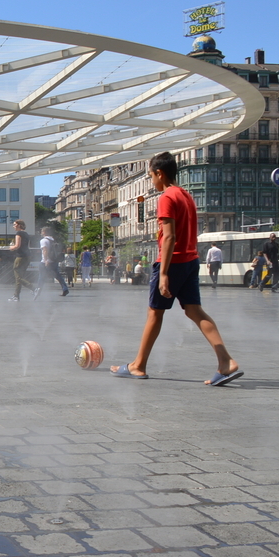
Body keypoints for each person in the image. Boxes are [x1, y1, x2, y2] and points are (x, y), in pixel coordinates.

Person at [110, 151, 241, 386]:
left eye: (151, 176)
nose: (152, 181)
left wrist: (163, 274)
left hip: (173, 262)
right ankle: (225, 361)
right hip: (191, 260)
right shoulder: (186, 196)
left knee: (154, 313)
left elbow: (169, 238)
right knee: (195, 311)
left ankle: (138, 366)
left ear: (159, 173)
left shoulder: (167, 197)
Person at [7, 219, 37, 301]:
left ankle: (34, 288)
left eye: (14, 224)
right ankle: (16, 296)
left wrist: (11, 248)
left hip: (20, 257)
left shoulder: (18, 233)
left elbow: (17, 246)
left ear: (19, 225)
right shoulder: (26, 234)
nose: (13, 226)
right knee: (20, 277)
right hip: (27, 256)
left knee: (18, 277)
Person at [38, 226, 69, 297]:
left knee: (41, 276)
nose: (41, 233)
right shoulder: (53, 240)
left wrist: (45, 260)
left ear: (44, 232)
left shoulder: (43, 240)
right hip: (54, 260)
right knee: (57, 275)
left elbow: (45, 250)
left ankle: (38, 290)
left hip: (45, 261)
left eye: (42, 231)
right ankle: (65, 288)